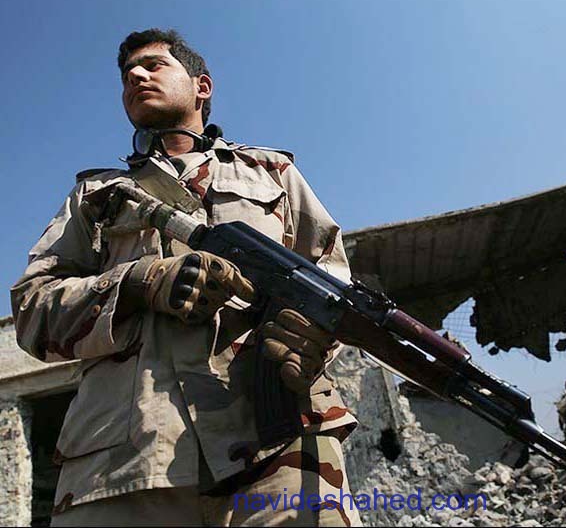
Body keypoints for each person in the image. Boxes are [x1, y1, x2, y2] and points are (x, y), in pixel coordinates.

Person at [11, 28, 362, 527]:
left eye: (154, 65)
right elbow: (32, 309)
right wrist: (139, 283)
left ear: (202, 86)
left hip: (282, 448)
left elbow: (334, 286)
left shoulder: (272, 173)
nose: (135, 76)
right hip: (125, 463)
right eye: (127, 74)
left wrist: (310, 337)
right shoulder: (96, 196)